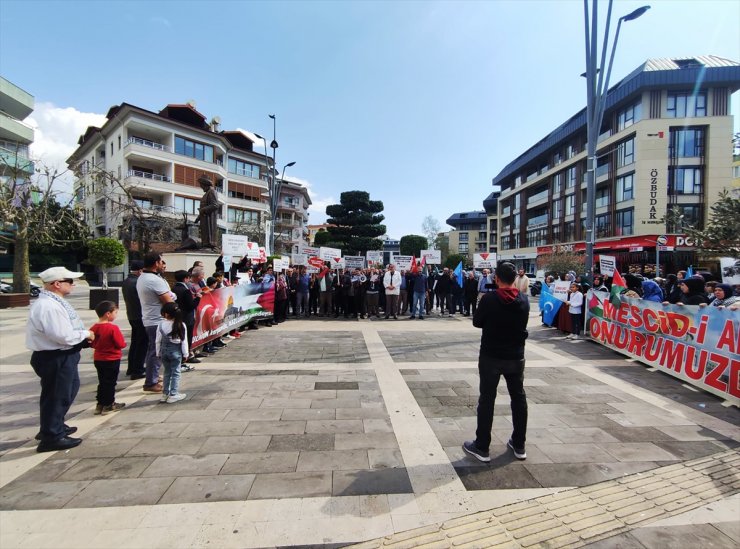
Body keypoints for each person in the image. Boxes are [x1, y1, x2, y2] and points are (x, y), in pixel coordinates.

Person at [463, 262, 529, 463]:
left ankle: (482, 446)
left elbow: (477, 322)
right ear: (514, 279)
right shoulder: (524, 300)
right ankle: (519, 444)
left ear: (497, 278)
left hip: (491, 356)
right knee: (518, 398)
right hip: (515, 356)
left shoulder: (489, 299)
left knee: (487, 400)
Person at [27, 267, 93, 452]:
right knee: (57, 396)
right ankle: (51, 436)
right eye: (69, 281)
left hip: (61, 354)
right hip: (55, 355)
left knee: (66, 391)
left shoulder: (54, 302)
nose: (73, 285)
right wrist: (85, 333)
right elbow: (62, 335)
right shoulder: (48, 306)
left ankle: (54, 425)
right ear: (57, 284)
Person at [136, 252, 174, 393]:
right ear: (156, 263)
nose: (162, 264)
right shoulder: (153, 280)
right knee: (156, 351)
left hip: (150, 318)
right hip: (156, 320)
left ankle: (153, 376)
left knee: (153, 349)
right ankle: (150, 382)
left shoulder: (144, 277)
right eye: (160, 261)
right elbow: (167, 300)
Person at [90, 301, 127, 415]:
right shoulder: (112, 328)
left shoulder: (94, 327)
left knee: (102, 382)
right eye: (115, 312)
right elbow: (120, 344)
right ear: (108, 314)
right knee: (110, 382)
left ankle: (100, 403)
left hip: (99, 358)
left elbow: (91, 342)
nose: (116, 315)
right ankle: (109, 404)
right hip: (112, 358)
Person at [156, 302, 189, 403]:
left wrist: (158, 352)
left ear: (165, 314)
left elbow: (157, 340)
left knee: (167, 372)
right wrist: (186, 354)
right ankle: (173, 394)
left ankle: (165, 394)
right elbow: (184, 341)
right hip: (176, 352)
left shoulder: (161, 324)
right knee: (176, 373)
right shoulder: (181, 325)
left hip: (164, 352)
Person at [121, 260, 147, 380]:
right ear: (140, 271)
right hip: (140, 315)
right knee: (141, 344)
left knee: (135, 342)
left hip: (132, 315)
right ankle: (137, 369)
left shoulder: (127, 281)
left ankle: (132, 367)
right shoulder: (137, 282)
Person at [172, 270, 200, 368]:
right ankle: (184, 358)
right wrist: (198, 298)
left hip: (177, 317)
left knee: (179, 338)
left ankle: (181, 359)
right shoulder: (185, 290)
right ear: (185, 279)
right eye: (188, 278)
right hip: (187, 318)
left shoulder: (174, 288)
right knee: (186, 339)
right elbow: (190, 306)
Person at [193, 175, 220, 249]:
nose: (201, 187)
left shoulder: (212, 192)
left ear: (205, 184)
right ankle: (206, 245)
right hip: (204, 219)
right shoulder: (206, 194)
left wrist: (203, 210)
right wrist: (198, 218)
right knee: (204, 233)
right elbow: (203, 208)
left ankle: (209, 245)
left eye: (201, 185)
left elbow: (215, 205)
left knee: (208, 233)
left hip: (209, 219)